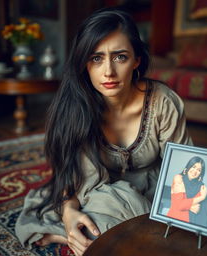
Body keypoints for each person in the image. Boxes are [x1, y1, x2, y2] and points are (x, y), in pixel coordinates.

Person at [15, 7, 192, 256]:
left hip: (152, 188)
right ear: (84, 63)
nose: (108, 71)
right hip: (96, 190)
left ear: (136, 60)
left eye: (120, 57)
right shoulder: (74, 106)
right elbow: (74, 176)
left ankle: (73, 235)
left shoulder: (162, 101)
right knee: (91, 218)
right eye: (96, 58)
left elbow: (183, 169)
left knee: (165, 222)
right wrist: (68, 212)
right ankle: (78, 230)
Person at [167, 156, 207, 226]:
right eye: (193, 167)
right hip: (174, 221)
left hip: (191, 224)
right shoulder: (178, 178)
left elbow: (202, 211)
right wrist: (202, 197)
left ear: (201, 173)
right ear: (189, 166)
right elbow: (179, 205)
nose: (195, 171)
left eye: (199, 170)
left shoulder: (201, 186)